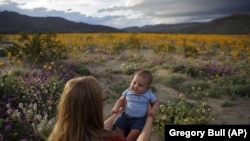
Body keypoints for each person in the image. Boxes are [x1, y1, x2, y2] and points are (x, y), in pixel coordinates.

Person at [47, 75, 154, 141]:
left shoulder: (58, 136)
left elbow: (94, 129)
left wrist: (118, 113)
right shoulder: (113, 139)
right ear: (94, 107)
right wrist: (149, 119)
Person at [111, 70, 159, 141]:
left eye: (140, 85)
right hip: (125, 116)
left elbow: (156, 102)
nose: (135, 86)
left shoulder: (148, 94)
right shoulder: (128, 91)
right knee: (119, 125)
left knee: (136, 131)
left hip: (139, 119)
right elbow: (121, 100)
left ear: (147, 88)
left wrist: (153, 109)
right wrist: (116, 107)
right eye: (134, 82)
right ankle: (121, 139)